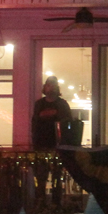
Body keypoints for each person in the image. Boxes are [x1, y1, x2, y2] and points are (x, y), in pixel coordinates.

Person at [31, 76, 72, 206]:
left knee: (56, 177)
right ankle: (41, 202)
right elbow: (35, 121)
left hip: (58, 145)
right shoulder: (39, 104)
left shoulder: (62, 104)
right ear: (45, 87)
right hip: (41, 145)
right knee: (41, 176)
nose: (51, 87)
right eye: (49, 85)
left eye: (53, 85)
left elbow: (68, 123)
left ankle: (56, 203)